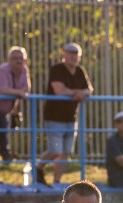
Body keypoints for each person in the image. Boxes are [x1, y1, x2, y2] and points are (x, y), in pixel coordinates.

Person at [34, 43, 93, 187]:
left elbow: (89, 89)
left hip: (71, 118)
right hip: (54, 117)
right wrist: (78, 93)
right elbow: (59, 91)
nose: (73, 56)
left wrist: (82, 93)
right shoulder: (57, 69)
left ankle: (56, 182)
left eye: (75, 54)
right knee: (55, 150)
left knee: (66, 152)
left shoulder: (80, 71)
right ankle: (38, 167)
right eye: (70, 53)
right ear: (64, 54)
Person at [0, 46, 31, 185]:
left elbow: (26, 89)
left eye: (21, 58)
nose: (18, 61)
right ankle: (5, 152)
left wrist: (17, 92)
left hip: (4, 111)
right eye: (15, 58)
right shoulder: (3, 70)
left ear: (25, 60)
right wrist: (18, 92)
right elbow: (1, 89)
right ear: (8, 60)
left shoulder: (24, 70)